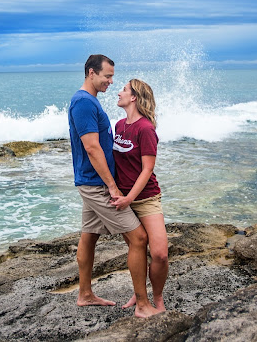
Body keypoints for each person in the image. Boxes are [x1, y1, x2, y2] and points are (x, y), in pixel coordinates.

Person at [68, 55, 160, 318]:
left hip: (91, 181)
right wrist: (112, 186)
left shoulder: (88, 101)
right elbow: (92, 146)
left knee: (89, 235)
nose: (110, 82)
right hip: (97, 184)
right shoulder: (84, 102)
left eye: (112, 78)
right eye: (107, 76)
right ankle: (142, 305)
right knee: (138, 238)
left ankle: (85, 294)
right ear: (90, 73)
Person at [111, 79, 169, 312]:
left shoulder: (145, 129)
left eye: (124, 90)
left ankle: (158, 297)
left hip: (145, 199)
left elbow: (147, 170)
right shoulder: (118, 125)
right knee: (137, 249)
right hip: (123, 200)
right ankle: (140, 295)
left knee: (160, 254)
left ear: (134, 97)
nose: (119, 92)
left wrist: (129, 198)